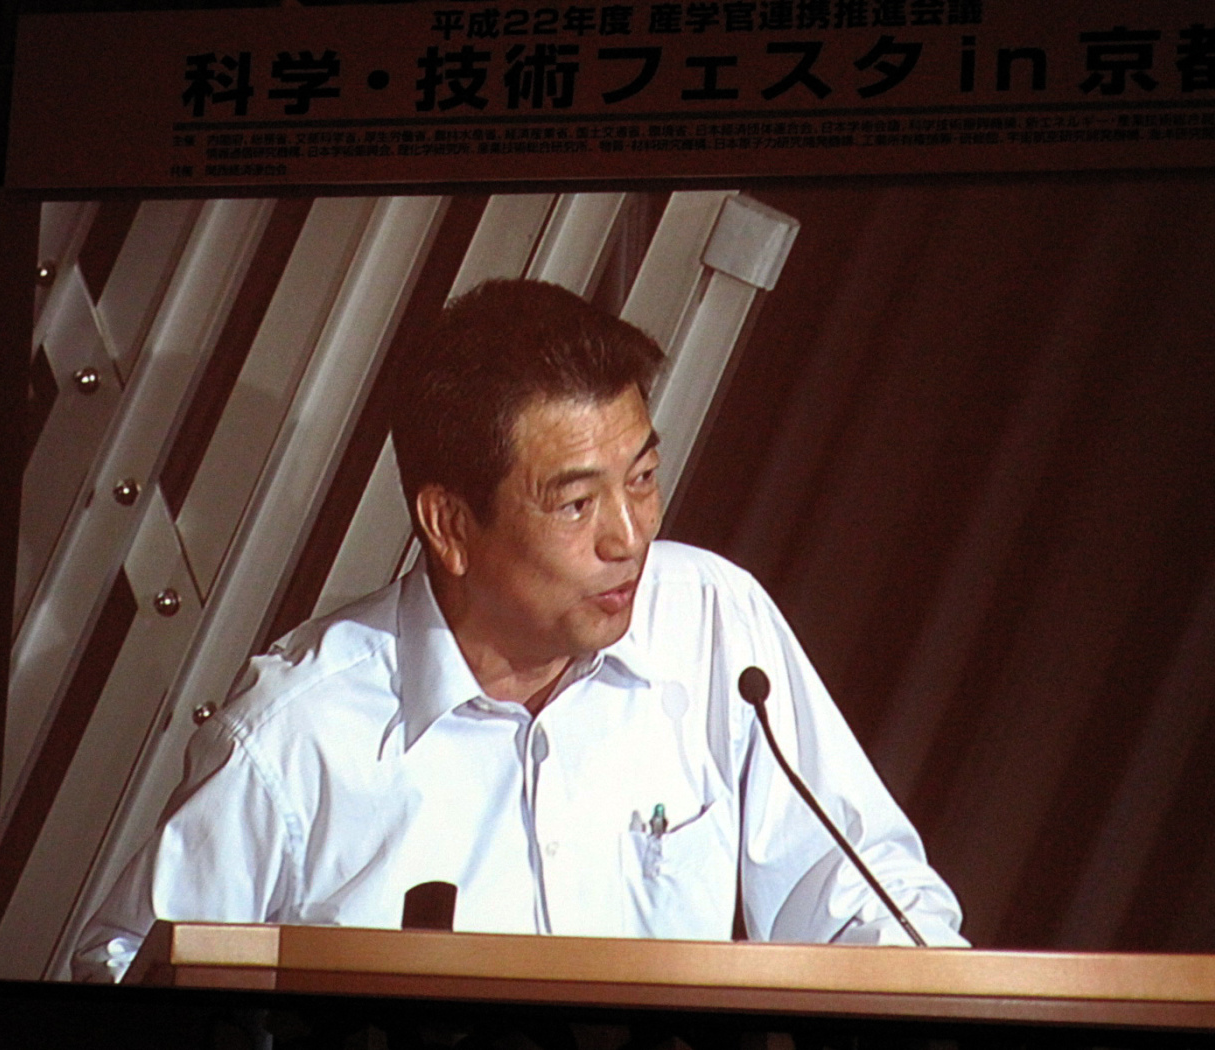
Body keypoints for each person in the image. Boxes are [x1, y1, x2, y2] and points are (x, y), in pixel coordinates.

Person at [73, 279, 965, 982]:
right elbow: (128, 970)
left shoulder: (712, 622)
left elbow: (862, 895)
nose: (630, 536)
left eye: (643, 477)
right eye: (576, 503)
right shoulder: (295, 737)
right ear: (450, 525)